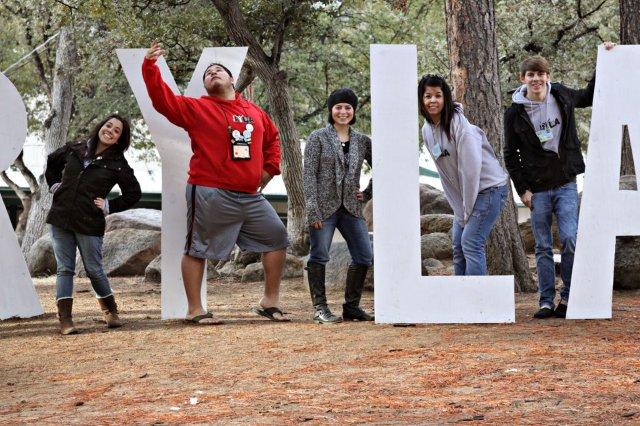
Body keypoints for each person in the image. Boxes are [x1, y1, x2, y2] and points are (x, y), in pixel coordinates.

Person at [142, 41, 290, 323]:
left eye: (218, 70)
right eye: (207, 73)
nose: (212, 72)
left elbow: (273, 140)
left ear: (233, 80)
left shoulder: (255, 112)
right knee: (197, 248)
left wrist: (269, 171)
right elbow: (162, 100)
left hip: (250, 195)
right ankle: (195, 310)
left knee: (276, 238)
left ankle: (269, 302)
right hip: (210, 191)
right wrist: (150, 66)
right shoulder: (196, 108)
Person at [504, 42, 616, 319]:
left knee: (569, 238)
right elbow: (510, 154)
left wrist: (602, 60)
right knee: (542, 246)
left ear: (548, 76)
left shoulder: (561, 95)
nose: (536, 79)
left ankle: (568, 297)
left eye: (541, 74)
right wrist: (523, 190)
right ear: (523, 78)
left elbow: (588, 97)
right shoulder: (514, 113)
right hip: (538, 188)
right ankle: (545, 301)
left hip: (566, 182)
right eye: (531, 74)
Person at [45, 114, 141, 335]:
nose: (110, 131)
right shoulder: (75, 148)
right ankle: (65, 320)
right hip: (60, 217)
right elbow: (52, 161)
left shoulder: (118, 164)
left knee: (94, 269)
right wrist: (54, 184)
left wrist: (109, 205)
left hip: (89, 222)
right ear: (101, 126)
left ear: (119, 139)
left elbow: (134, 193)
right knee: (65, 269)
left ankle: (111, 313)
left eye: (116, 131)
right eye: (108, 125)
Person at [419, 75, 509, 276]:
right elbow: (445, 174)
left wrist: (466, 210)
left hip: (489, 190)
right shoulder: (426, 130)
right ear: (421, 99)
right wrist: (459, 210)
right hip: (467, 195)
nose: (433, 100)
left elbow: (470, 170)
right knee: (458, 246)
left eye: (438, 96)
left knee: (471, 242)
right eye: (428, 96)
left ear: (445, 98)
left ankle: (476, 295)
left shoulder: (459, 126)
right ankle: (459, 294)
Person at [303, 88, 374, 324]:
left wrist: (368, 192)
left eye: (348, 107)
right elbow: (309, 175)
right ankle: (320, 308)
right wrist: (312, 209)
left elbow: (383, 165)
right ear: (331, 110)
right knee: (319, 255)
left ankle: (351, 307)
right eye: (338, 107)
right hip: (323, 208)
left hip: (352, 207)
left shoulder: (362, 141)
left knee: (364, 256)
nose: (343, 111)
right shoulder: (317, 137)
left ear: (353, 111)